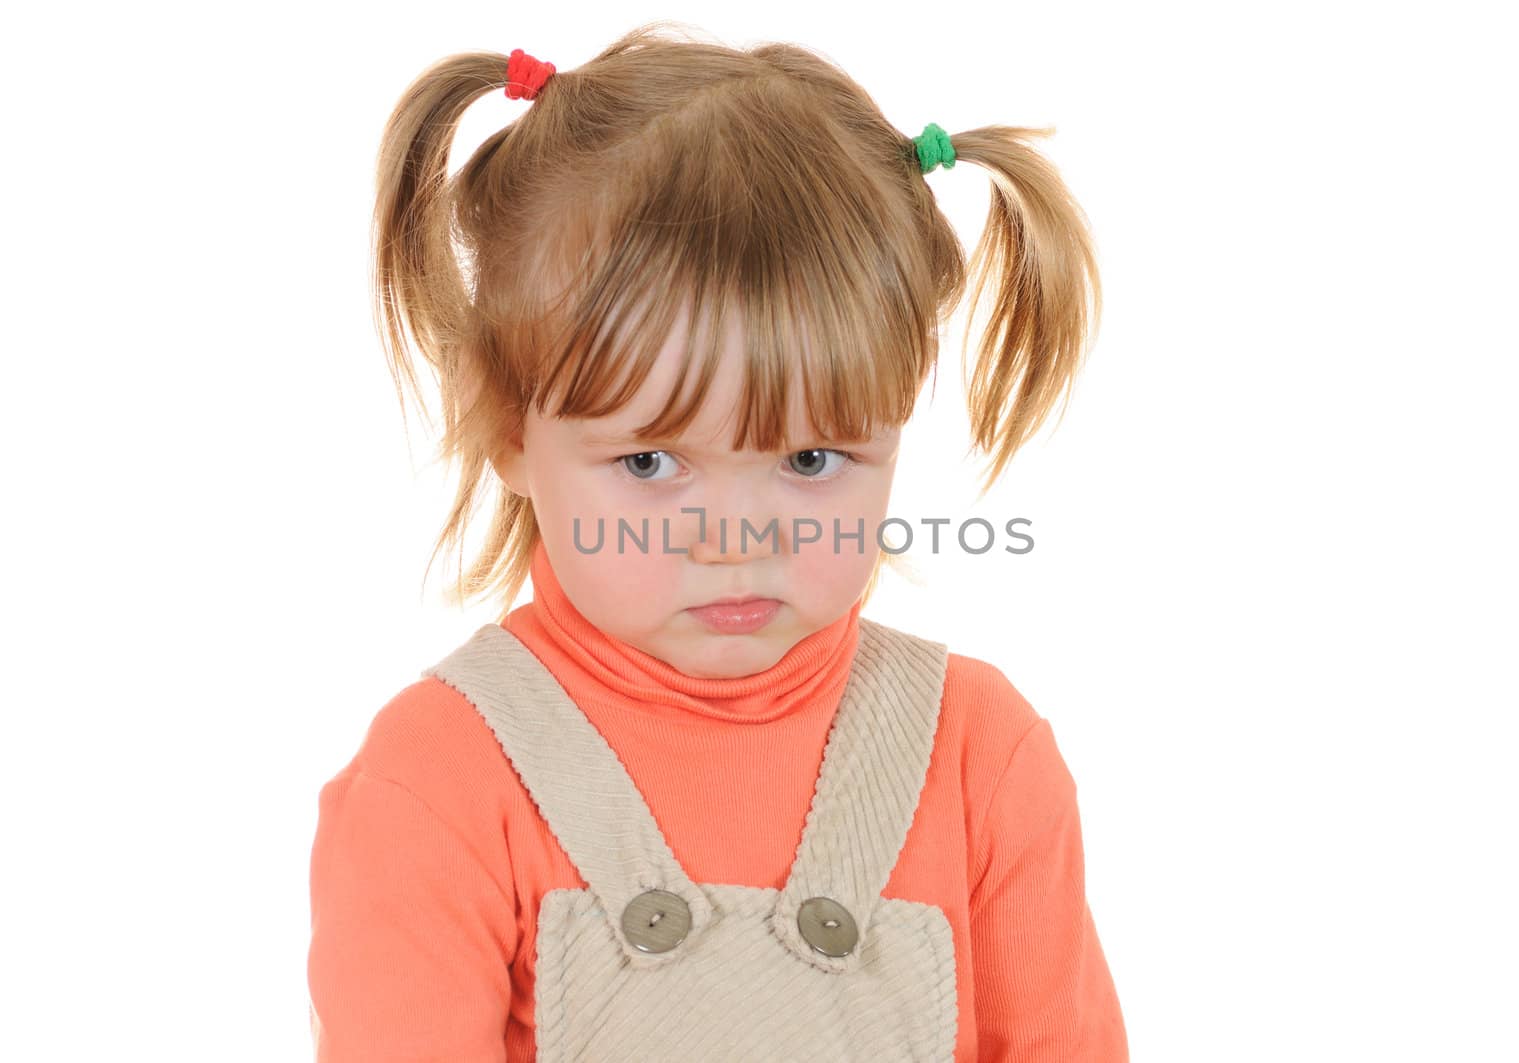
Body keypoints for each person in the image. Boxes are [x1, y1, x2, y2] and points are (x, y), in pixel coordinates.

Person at [307, 20, 1128, 1061]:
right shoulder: (440, 781)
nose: (737, 538)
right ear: (508, 427)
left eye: (813, 460)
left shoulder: (980, 763)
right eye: (650, 464)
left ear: (899, 416)